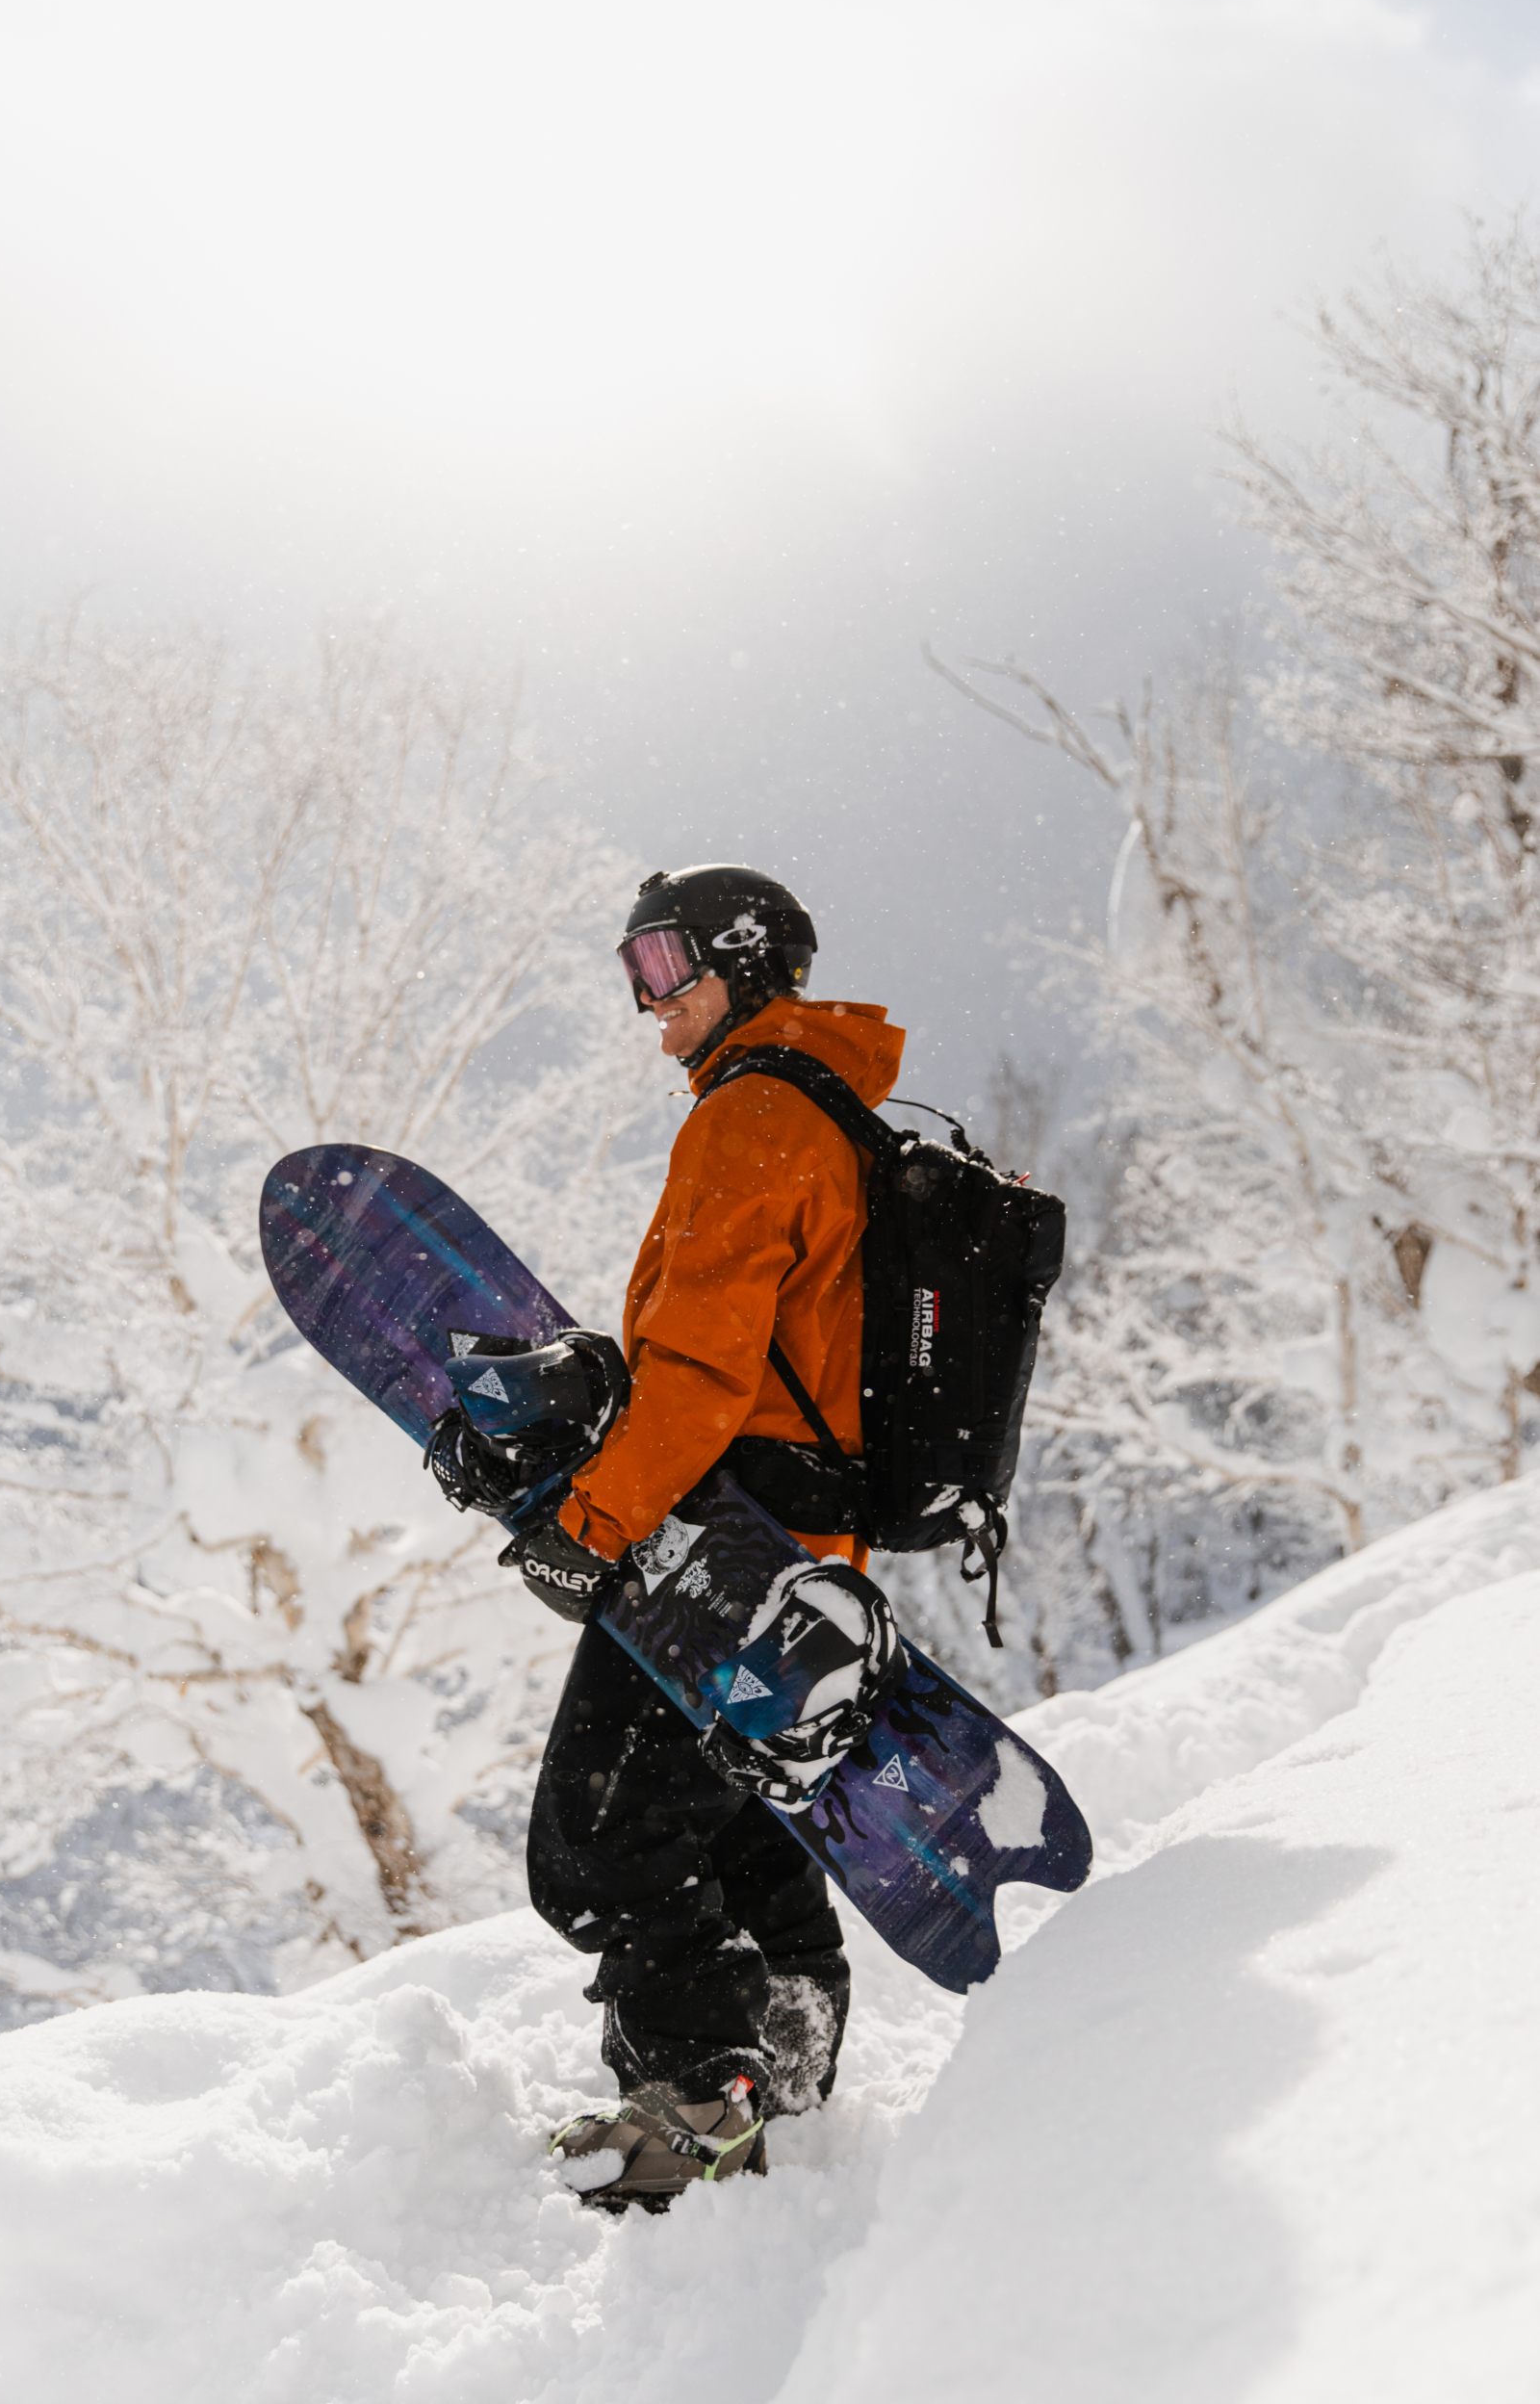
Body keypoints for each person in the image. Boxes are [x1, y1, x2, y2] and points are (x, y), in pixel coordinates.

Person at [502, 864, 906, 2209]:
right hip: (803, 1547)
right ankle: (781, 2058)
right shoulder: (828, 1108)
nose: (651, 1000)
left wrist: (589, 1524)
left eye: (669, 966)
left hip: (724, 1551)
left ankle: (694, 2109)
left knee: (600, 1837)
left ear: (745, 961)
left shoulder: (755, 1114)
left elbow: (701, 1369)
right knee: (719, 1815)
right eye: (635, 972)